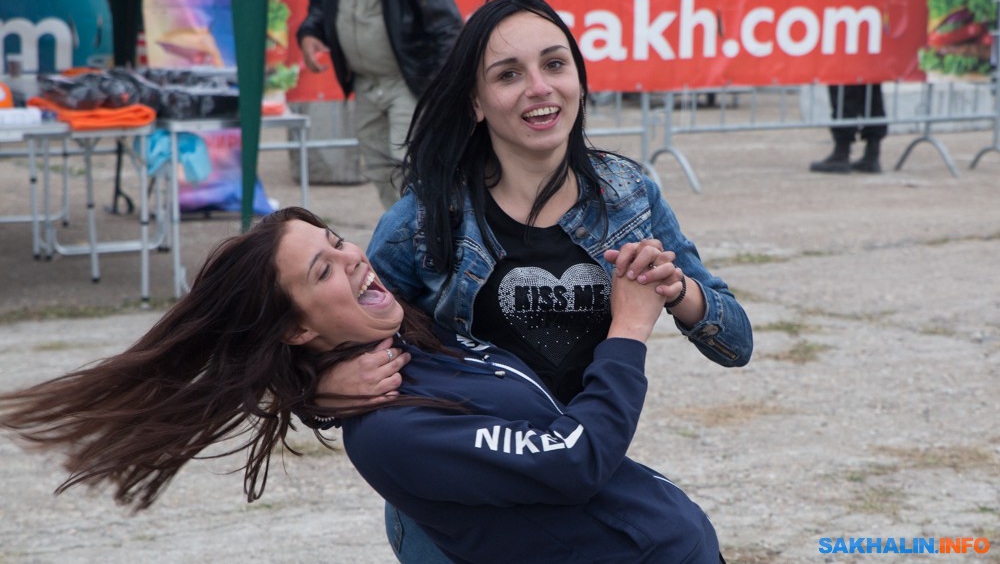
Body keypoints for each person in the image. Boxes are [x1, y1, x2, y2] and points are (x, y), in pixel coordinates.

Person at [0, 207, 726, 563]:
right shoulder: (388, 422)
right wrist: (629, 327)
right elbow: (575, 459)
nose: (352, 258)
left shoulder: (404, 336)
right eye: (323, 270)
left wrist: (308, 391)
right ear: (298, 327)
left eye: (337, 241)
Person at [319, 0, 753, 561]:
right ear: (476, 103)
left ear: (579, 80)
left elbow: (737, 344)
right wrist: (321, 389)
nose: (539, 87)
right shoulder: (423, 221)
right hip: (460, 517)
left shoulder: (629, 195)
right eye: (508, 74)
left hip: (582, 480)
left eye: (554, 64)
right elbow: (324, 336)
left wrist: (679, 291)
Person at [296, 0, 462, 209]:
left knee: (408, 167)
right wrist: (308, 33)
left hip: (408, 82)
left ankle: (427, 231)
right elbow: (321, 5)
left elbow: (446, 26)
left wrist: (440, 89)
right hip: (364, 83)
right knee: (378, 168)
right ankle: (401, 230)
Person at [810, 0, 900, 174]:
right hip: (877, 19)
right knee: (872, 84)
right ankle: (873, 153)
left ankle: (842, 150)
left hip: (845, 18)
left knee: (842, 83)